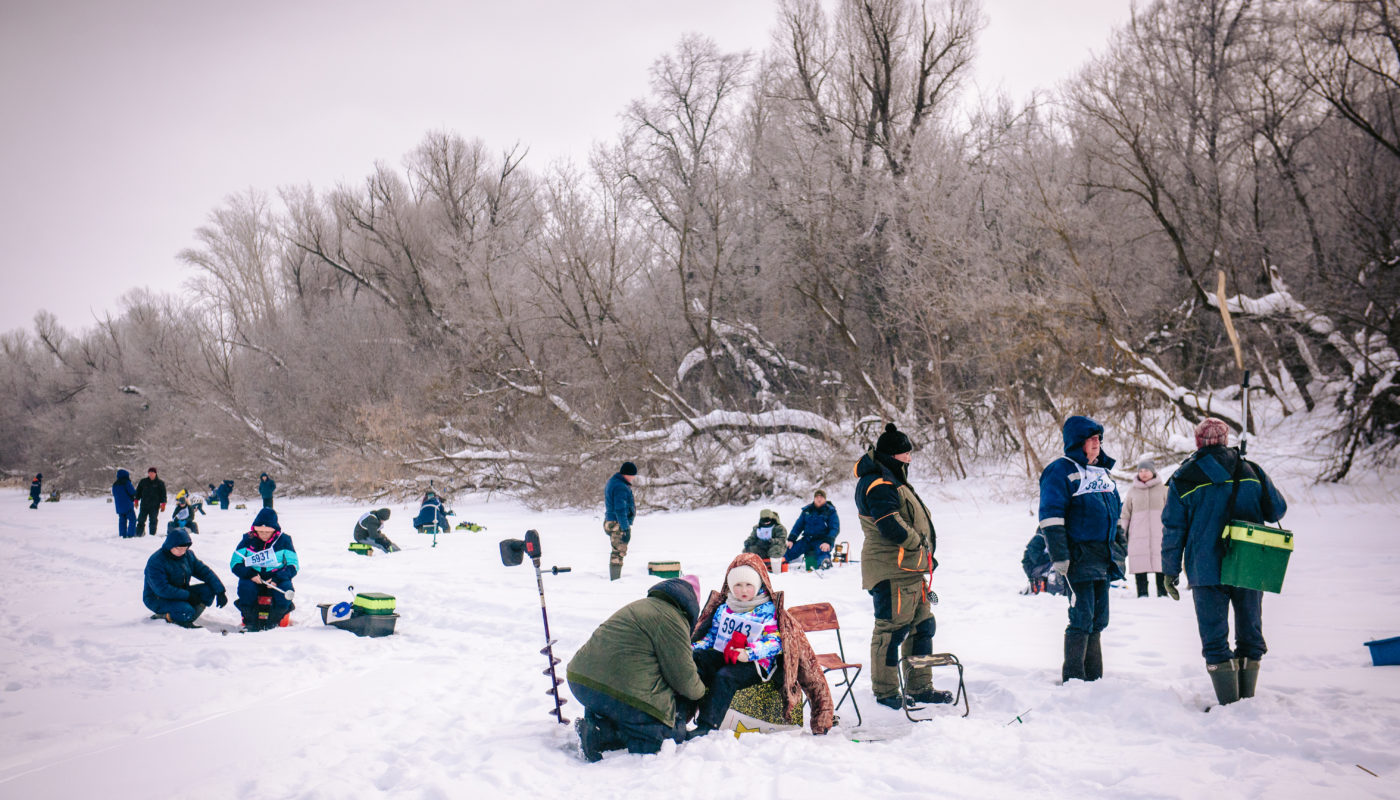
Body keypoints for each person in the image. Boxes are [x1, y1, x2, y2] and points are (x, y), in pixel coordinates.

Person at [1162, 417, 1288, 706]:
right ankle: (1247, 701)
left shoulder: (1184, 477)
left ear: (1197, 442)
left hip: (1205, 568)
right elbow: (1277, 509)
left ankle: (1229, 704)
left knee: (1214, 637)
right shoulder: (1251, 469)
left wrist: (1169, 570)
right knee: (1250, 632)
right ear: (1227, 440)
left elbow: (1173, 529)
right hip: (1248, 563)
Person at [853, 422, 952, 709]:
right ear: (893, 456)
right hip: (890, 572)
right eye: (905, 453)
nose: (909, 458)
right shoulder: (879, 483)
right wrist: (918, 544)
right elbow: (890, 525)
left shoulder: (893, 479)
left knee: (923, 627)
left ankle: (920, 687)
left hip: (910, 571)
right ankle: (885, 693)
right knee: (891, 631)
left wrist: (924, 554)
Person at [688, 554, 834, 738]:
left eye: (749, 585)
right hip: (725, 653)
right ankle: (680, 713)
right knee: (694, 662)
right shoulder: (724, 607)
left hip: (756, 664)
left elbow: (775, 643)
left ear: (758, 585)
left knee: (724, 677)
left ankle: (707, 724)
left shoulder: (768, 610)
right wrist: (694, 648)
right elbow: (712, 636)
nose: (743, 590)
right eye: (738, 585)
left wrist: (749, 653)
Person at [566, 576, 707, 761]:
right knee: (667, 735)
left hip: (581, 681)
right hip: (614, 691)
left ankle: (600, 719)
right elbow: (685, 681)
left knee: (632, 709)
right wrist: (703, 692)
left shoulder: (641, 605)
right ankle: (601, 735)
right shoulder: (673, 619)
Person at [1038, 415, 1126, 683]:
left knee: (1099, 618)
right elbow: (1051, 517)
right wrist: (1060, 555)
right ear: (1078, 442)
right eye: (1091, 439)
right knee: (1082, 615)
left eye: (1099, 439)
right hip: (1077, 557)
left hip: (1103, 556)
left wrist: (1120, 546)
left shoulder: (1102, 472)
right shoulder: (1060, 471)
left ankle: (1093, 678)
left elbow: (1116, 512)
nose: (1097, 444)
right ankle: (1074, 678)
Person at [230, 508, 299, 631]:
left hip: (277, 577)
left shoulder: (284, 540)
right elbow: (235, 563)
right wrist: (250, 574)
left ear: (275, 530)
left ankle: (274, 622)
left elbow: (293, 565)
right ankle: (250, 622)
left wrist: (277, 578)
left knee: (286, 591)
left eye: (267, 532)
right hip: (254, 577)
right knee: (245, 589)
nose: (264, 535)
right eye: (260, 531)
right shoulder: (248, 539)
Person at [143, 527, 227, 628]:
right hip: (157, 598)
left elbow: (205, 572)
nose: (182, 552)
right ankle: (169, 616)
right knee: (186, 610)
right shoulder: (156, 561)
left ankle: (186, 617)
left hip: (181, 593)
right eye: (179, 548)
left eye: (185, 549)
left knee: (208, 591)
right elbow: (162, 589)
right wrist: (188, 596)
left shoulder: (188, 556)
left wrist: (220, 591)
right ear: (170, 545)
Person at [1122, 457, 1168, 598]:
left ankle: (1163, 592)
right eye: (1141, 470)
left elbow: (1171, 513)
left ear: (1153, 472)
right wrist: (1122, 532)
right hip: (1138, 536)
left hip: (1159, 534)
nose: (1143, 473)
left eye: (1147, 470)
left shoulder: (1164, 490)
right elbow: (1125, 514)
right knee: (1139, 564)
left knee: (1161, 564)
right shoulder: (1132, 491)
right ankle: (1142, 593)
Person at [784, 489, 841, 570]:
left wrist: (828, 542)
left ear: (825, 499)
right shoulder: (807, 510)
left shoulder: (830, 511)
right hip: (807, 539)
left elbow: (834, 528)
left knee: (822, 553)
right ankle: (777, 562)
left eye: (821, 497)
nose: (819, 499)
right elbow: (798, 526)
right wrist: (791, 539)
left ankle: (824, 563)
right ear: (814, 499)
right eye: (817, 497)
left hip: (822, 541)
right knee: (790, 550)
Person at [603, 461, 637, 581]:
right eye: (632, 475)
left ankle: (615, 577)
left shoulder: (614, 482)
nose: (633, 478)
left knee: (617, 549)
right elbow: (620, 509)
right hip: (617, 523)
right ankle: (615, 580)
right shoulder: (620, 487)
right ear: (626, 474)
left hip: (611, 521)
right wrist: (625, 527)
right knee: (618, 551)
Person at [1020, 529, 1070, 596]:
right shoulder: (1039, 539)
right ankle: (1059, 591)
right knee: (1057, 565)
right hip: (1033, 568)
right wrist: (1055, 555)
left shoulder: (1056, 540)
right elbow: (1037, 559)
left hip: (1044, 566)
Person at [134, 467, 167, 537]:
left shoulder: (160, 483)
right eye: (150, 473)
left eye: (153, 473)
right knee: (141, 520)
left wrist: (163, 504)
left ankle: (152, 535)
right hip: (144, 505)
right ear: (148, 473)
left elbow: (163, 494)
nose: (151, 474)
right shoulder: (143, 482)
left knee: (153, 521)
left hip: (154, 506)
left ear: (155, 473)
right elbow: (138, 492)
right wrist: (136, 500)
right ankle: (139, 534)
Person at [112, 469, 138, 538]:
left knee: (122, 520)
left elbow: (114, 494)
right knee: (132, 519)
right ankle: (130, 535)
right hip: (127, 505)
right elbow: (132, 492)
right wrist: (133, 497)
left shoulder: (115, 484)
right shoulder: (126, 483)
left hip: (119, 506)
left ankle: (122, 535)